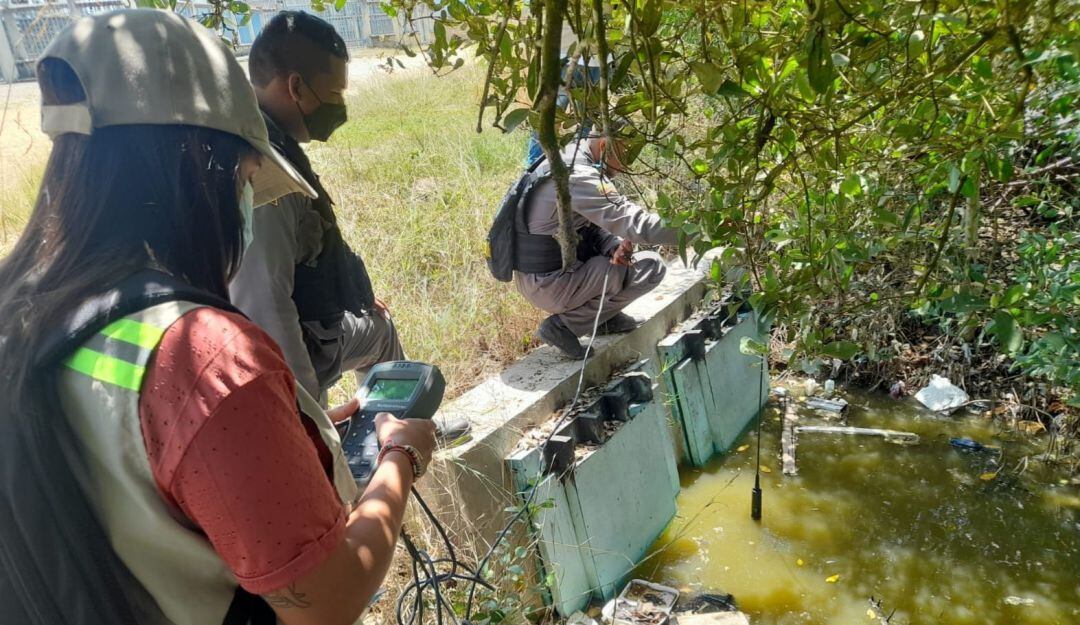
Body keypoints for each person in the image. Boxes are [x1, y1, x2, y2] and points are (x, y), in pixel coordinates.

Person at [0, 10, 435, 625]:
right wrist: (401, 458)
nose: (246, 204)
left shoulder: (22, 309)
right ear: (200, 169)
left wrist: (278, 434)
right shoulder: (204, 357)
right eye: (246, 178)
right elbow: (325, 599)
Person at [230, 12, 400, 402]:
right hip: (285, 350)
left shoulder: (251, 136)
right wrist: (307, 418)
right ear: (297, 87)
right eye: (336, 94)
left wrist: (350, 287)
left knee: (375, 323)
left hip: (291, 329)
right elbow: (267, 307)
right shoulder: (266, 172)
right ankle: (396, 430)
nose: (340, 107)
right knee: (380, 333)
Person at [516, 133, 679, 358]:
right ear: (604, 144)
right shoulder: (577, 175)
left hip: (550, 276)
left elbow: (587, 224)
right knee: (621, 271)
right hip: (548, 282)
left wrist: (613, 246)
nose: (625, 167)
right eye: (626, 157)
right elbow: (637, 225)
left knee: (648, 266)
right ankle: (563, 327)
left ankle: (602, 319)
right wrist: (697, 230)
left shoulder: (571, 155)